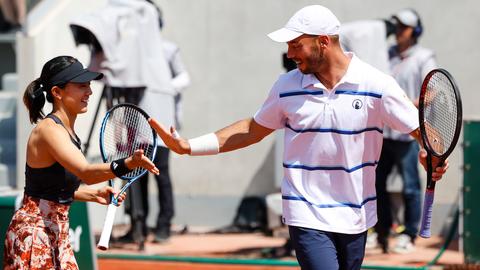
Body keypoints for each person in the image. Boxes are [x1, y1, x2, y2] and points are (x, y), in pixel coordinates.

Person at [150, 5, 448, 269]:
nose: (290, 54)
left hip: (356, 215)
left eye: (296, 45)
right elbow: (251, 130)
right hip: (305, 213)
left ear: (323, 42)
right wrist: (188, 147)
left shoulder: (378, 85)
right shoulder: (286, 86)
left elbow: (419, 129)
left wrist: (430, 152)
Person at [2, 56, 159, 270]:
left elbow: (49, 188)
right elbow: (86, 172)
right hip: (34, 233)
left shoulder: (67, 132)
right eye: (81, 86)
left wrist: (93, 194)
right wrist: (128, 163)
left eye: (89, 86)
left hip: (57, 231)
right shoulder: (49, 130)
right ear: (57, 92)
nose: (89, 92)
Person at [375, 8, 437, 254]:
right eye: (396, 27)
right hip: (384, 134)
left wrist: (400, 106)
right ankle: (381, 233)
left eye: (404, 27)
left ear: (415, 31)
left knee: (410, 186)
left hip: (408, 134)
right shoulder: (385, 55)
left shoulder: (424, 57)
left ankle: (410, 235)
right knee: (376, 184)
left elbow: (431, 92)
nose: (398, 32)